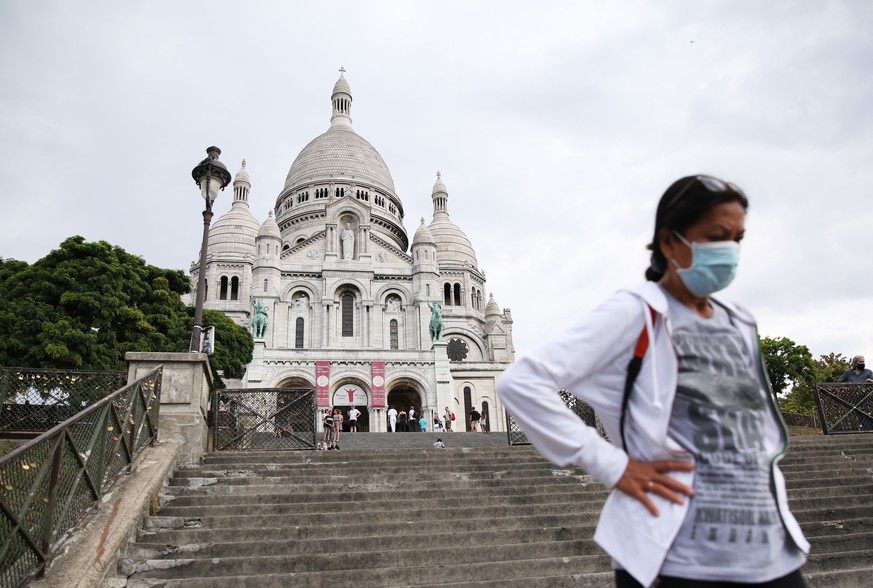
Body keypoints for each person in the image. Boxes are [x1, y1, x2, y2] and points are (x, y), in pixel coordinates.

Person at [497, 175, 809, 588]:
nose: (730, 251)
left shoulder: (739, 320)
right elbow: (521, 381)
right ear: (669, 242)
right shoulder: (635, 312)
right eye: (717, 237)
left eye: (738, 238)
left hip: (771, 550)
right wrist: (611, 464)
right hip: (676, 557)